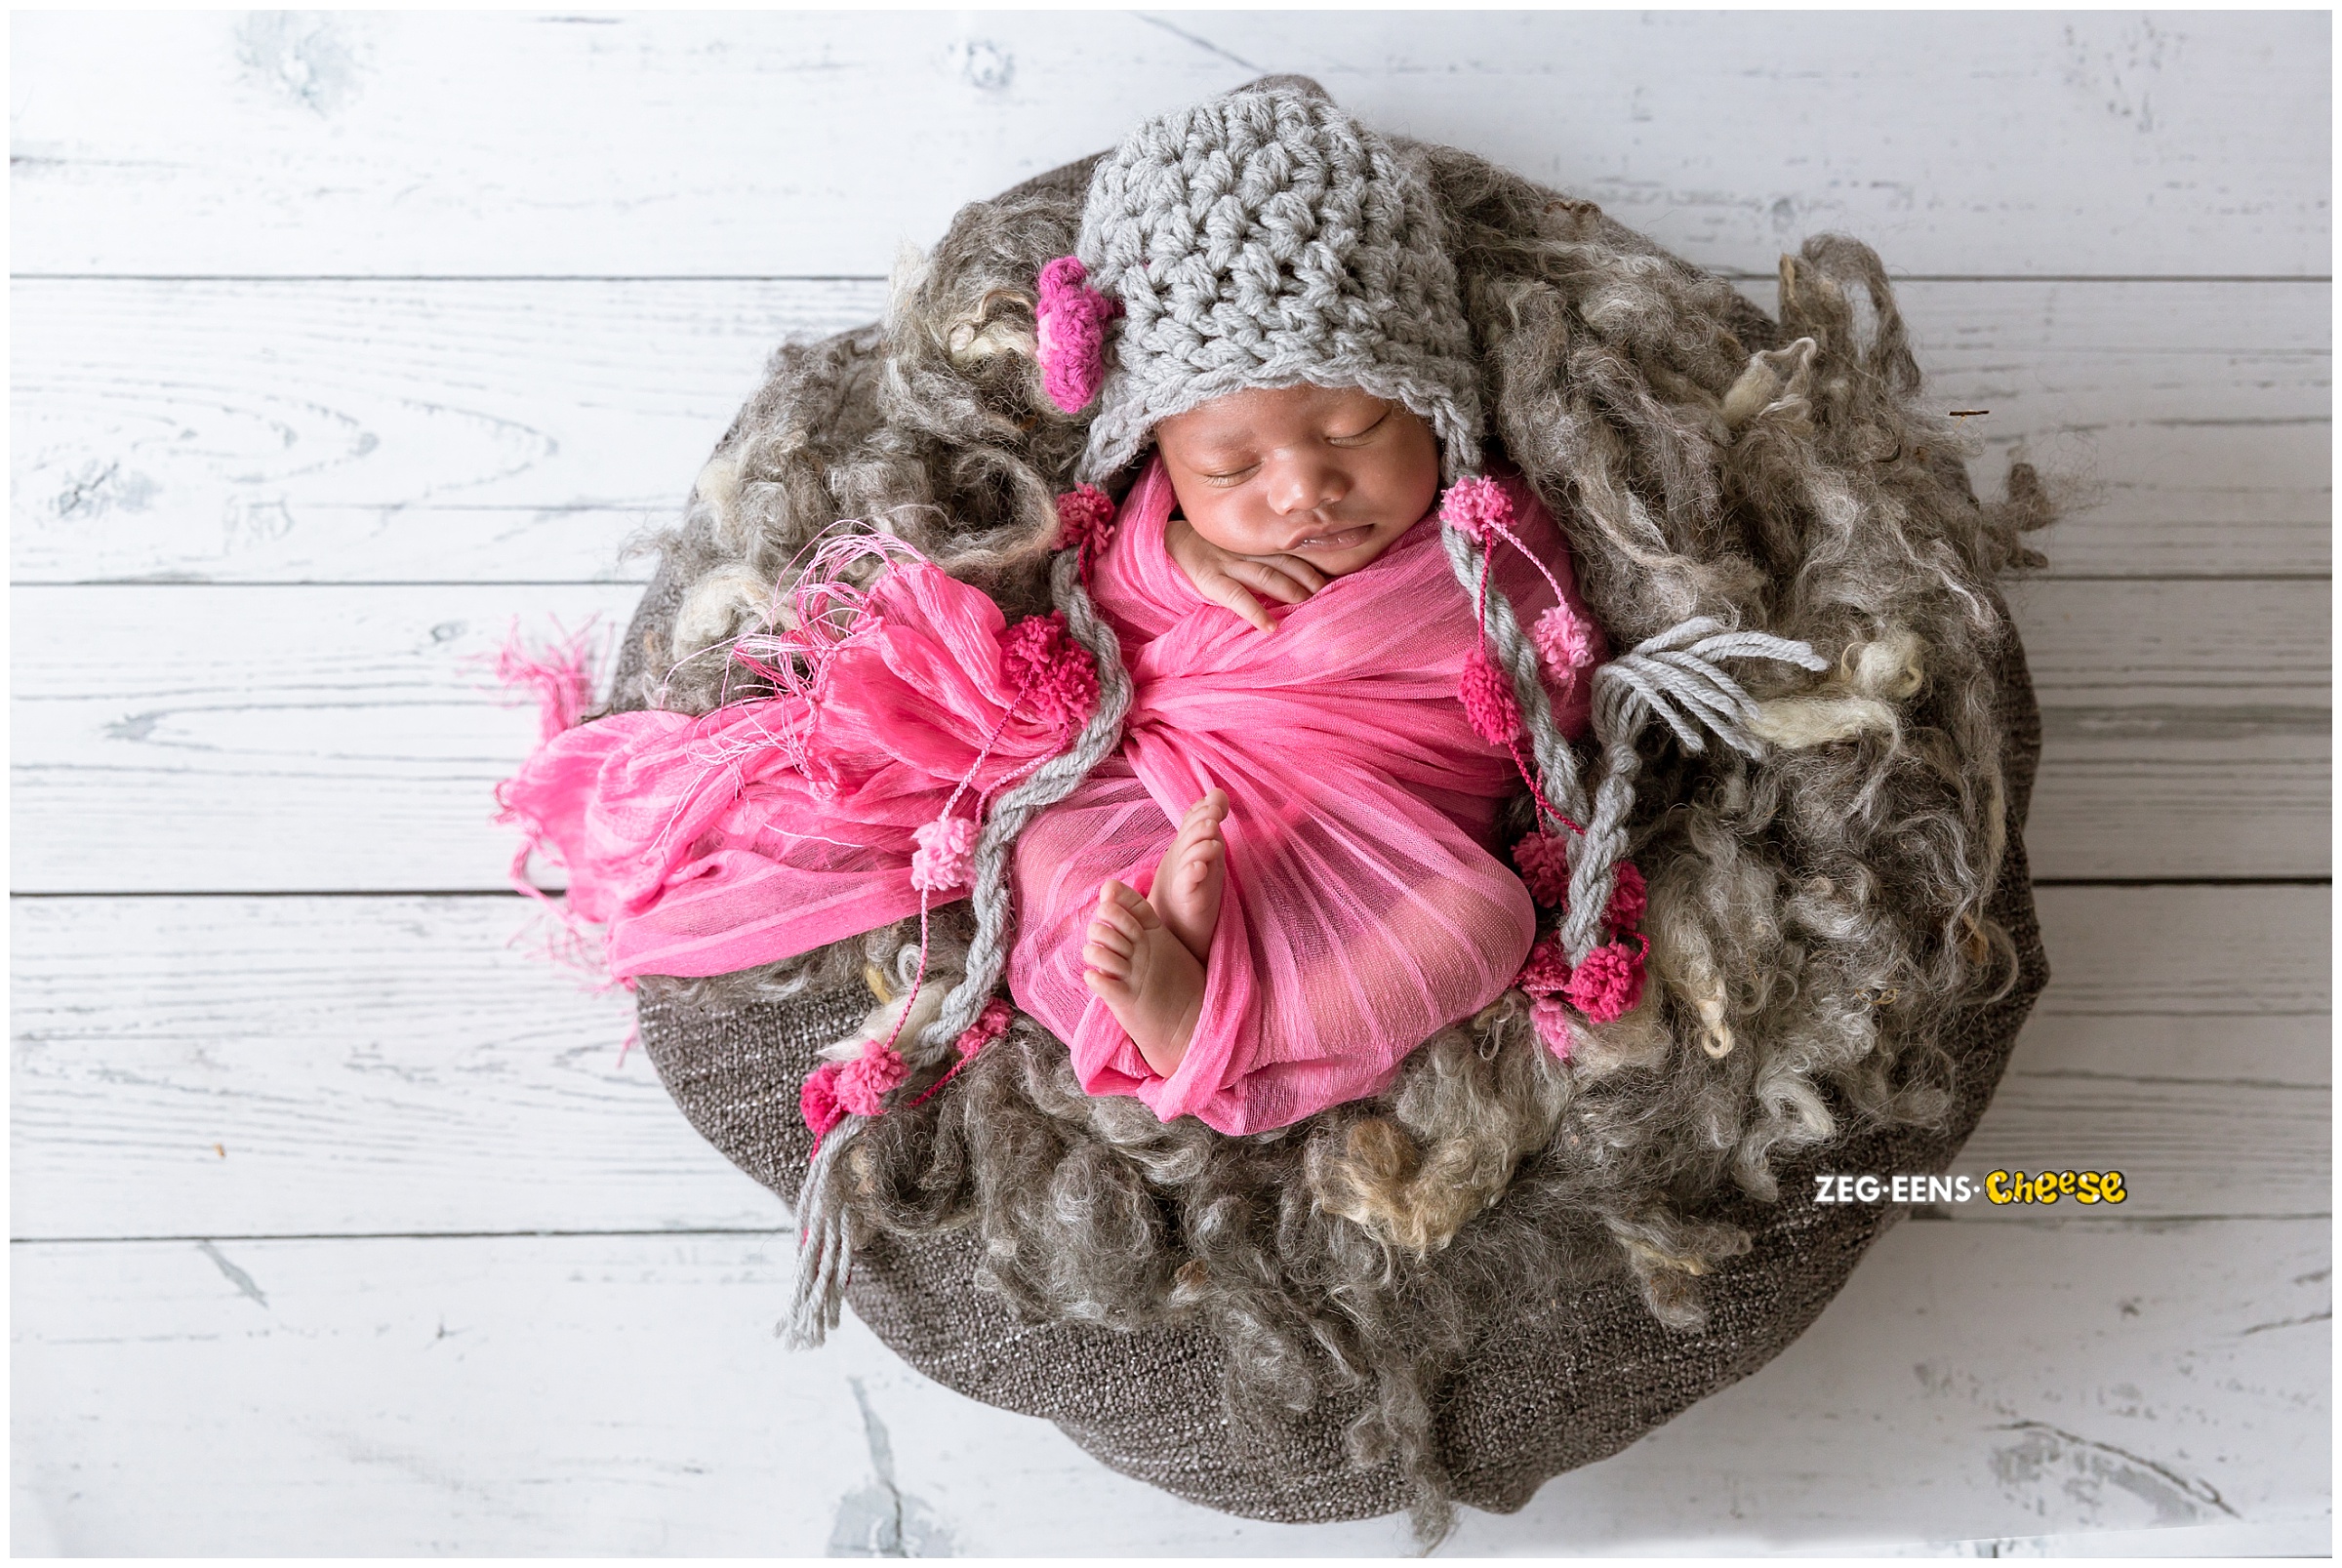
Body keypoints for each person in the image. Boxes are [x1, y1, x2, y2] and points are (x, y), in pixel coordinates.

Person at [499, 81, 1608, 1135]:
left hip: (1390, 863)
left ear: (1434, 407)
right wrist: (1168, 562)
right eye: (1230, 467)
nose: (1301, 489)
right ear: (1161, 459)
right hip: (1168, 802)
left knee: (1488, 924)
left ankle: (1233, 1021)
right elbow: (1107, 632)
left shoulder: (1488, 537)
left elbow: (1545, 682)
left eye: (1354, 432)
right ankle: (1171, 985)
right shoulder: (1154, 531)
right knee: (1050, 860)